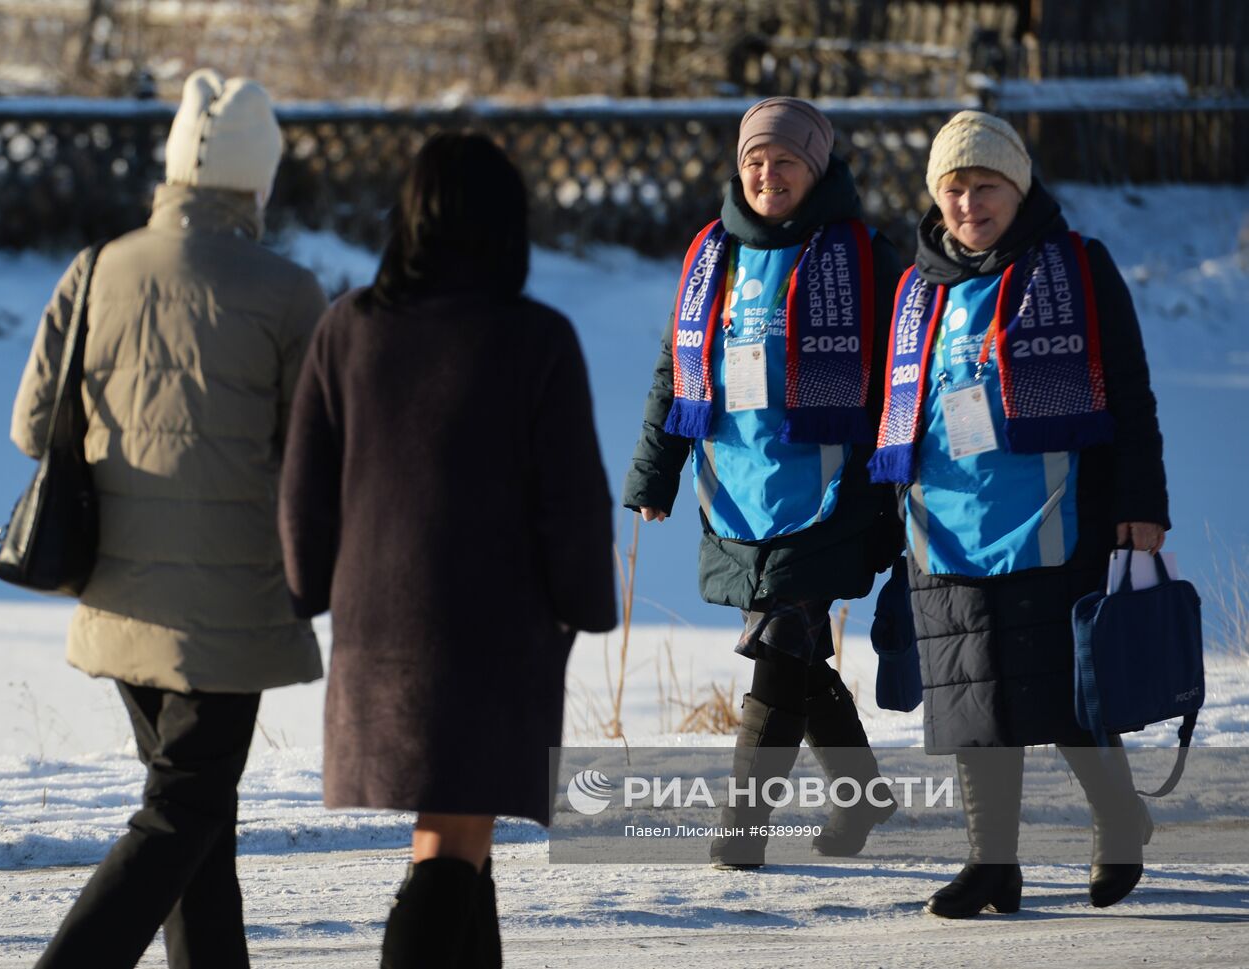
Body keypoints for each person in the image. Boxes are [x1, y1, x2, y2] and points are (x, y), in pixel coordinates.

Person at [278, 131, 617, 969]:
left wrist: (312, 588)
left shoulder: (348, 328)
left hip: (375, 626)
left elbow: (302, 487)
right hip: (497, 635)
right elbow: (573, 500)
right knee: (452, 848)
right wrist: (583, 602)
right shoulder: (536, 337)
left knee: (463, 847)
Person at [11, 69, 325, 968]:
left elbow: (31, 426)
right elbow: (315, 450)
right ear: (258, 180)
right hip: (230, 605)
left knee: (197, 815)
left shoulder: (96, 268)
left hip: (118, 587)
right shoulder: (288, 292)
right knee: (184, 810)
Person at [869, 110, 1169, 917]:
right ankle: (991, 863)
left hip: (1053, 514)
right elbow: (895, 412)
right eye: (954, 188)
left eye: (986, 186)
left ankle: (1119, 820)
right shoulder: (916, 288)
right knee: (973, 703)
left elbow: (1130, 392)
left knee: (1066, 692)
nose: (969, 203)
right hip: (944, 527)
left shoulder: (1076, 265)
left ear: (1019, 187)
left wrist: (1142, 503)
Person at [622, 97, 905, 868]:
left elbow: (908, 375)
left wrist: (907, 484)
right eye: (755, 160)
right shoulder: (712, 256)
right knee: (798, 652)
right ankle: (863, 795)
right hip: (738, 491)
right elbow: (675, 371)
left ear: (816, 170)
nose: (767, 175)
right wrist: (655, 472)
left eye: (785, 162)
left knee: (782, 643)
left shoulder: (867, 256)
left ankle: (740, 832)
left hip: (832, 488)